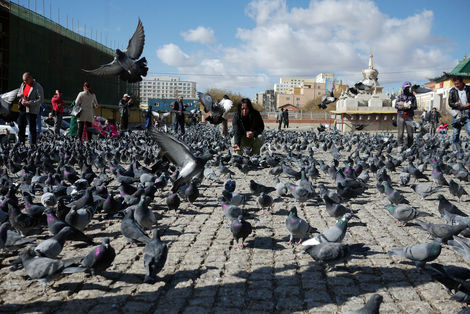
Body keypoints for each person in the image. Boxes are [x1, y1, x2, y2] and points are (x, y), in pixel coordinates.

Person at [16, 72, 44, 145]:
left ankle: (33, 145)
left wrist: (29, 103)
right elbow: (18, 93)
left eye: (26, 80)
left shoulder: (38, 86)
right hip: (22, 108)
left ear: (30, 78)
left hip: (31, 110)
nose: (24, 81)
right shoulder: (23, 84)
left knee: (32, 128)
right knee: (21, 126)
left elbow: (40, 99)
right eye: (23, 80)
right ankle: (21, 143)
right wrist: (21, 95)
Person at [448, 76, 470, 149]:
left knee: (469, 130)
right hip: (457, 114)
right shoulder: (452, 90)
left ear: (462, 82)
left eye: (458, 83)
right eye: (455, 84)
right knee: (456, 132)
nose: (456, 85)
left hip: (467, 113)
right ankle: (455, 148)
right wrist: (455, 104)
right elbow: (450, 103)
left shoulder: (468, 89)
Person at [395, 81, 417, 147]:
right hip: (400, 116)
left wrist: (410, 106)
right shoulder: (400, 96)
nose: (407, 89)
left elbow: (415, 106)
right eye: (406, 87)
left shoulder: (413, 97)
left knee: (410, 134)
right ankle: (400, 146)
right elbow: (396, 106)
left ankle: (410, 146)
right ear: (403, 88)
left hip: (409, 117)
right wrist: (404, 106)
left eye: (408, 87)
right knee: (400, 133)